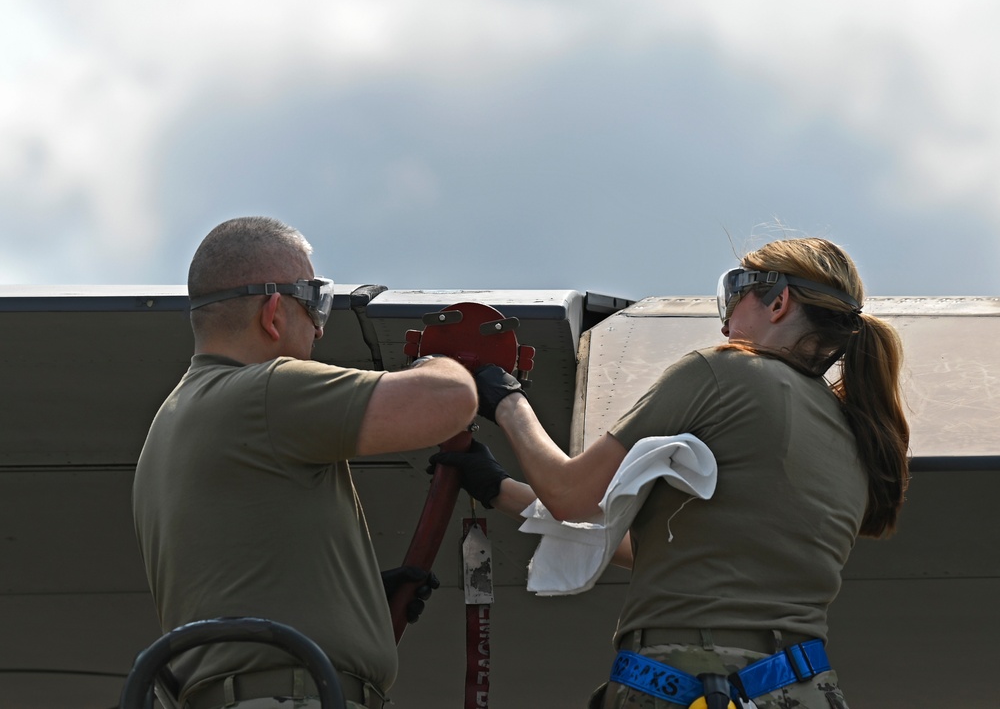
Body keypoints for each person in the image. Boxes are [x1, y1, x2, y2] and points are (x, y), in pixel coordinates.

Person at [449, 238, 909, 709]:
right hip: (805, 688)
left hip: (691, 677)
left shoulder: (725, 372)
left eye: (737, 296)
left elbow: (570, 493)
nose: (727, 322)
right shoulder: (854, 431)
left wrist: (505, 400)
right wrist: (498, 488)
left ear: (778, 301)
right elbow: (664, 548)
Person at [132, 216, 479, 709]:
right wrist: (439, 362)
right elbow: (450, 400)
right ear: (273, 312)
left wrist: (350, 603)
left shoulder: (168, 425)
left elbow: (242, 570)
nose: (318, 329)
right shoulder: (267, 391)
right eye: (314, 303)